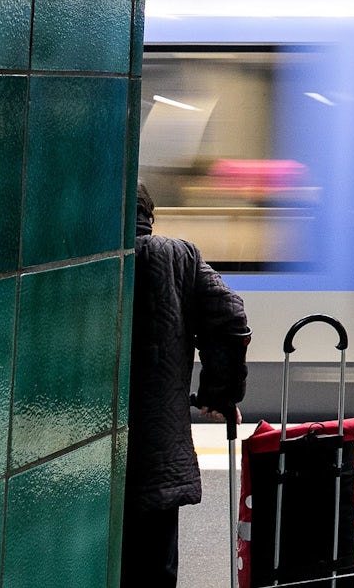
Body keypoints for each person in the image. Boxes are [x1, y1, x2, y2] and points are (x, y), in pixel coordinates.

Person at [121, 180, 252, 587]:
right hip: (156, 448)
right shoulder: (178, 255)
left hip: (77, 454)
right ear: (149, 215)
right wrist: (219, 395)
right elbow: (231, 321)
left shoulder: (79, 256)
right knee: (153, 567)